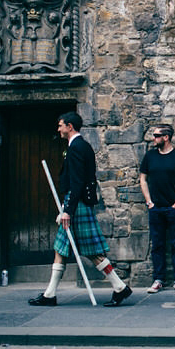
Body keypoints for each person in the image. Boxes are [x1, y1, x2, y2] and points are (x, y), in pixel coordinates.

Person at [29, 111, 132, 308]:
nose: (58, 129)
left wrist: (67, 209)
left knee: (86, 251)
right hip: (78, 203)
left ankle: (119, 287)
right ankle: (51, 293)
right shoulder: (79, 145)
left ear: (70, 127)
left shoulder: (76, 147)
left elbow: (77, 182)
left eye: (60, 125)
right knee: (64, 248)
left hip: (76, 205)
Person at [139, 124, 175, 294]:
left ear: (166, 137)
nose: (153, 138)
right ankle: (158, 279)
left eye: (156, 135)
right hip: (156, 208)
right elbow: (143, 179)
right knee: (157, 245)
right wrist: (149, 202)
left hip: (173, 208)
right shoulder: (150, 156)